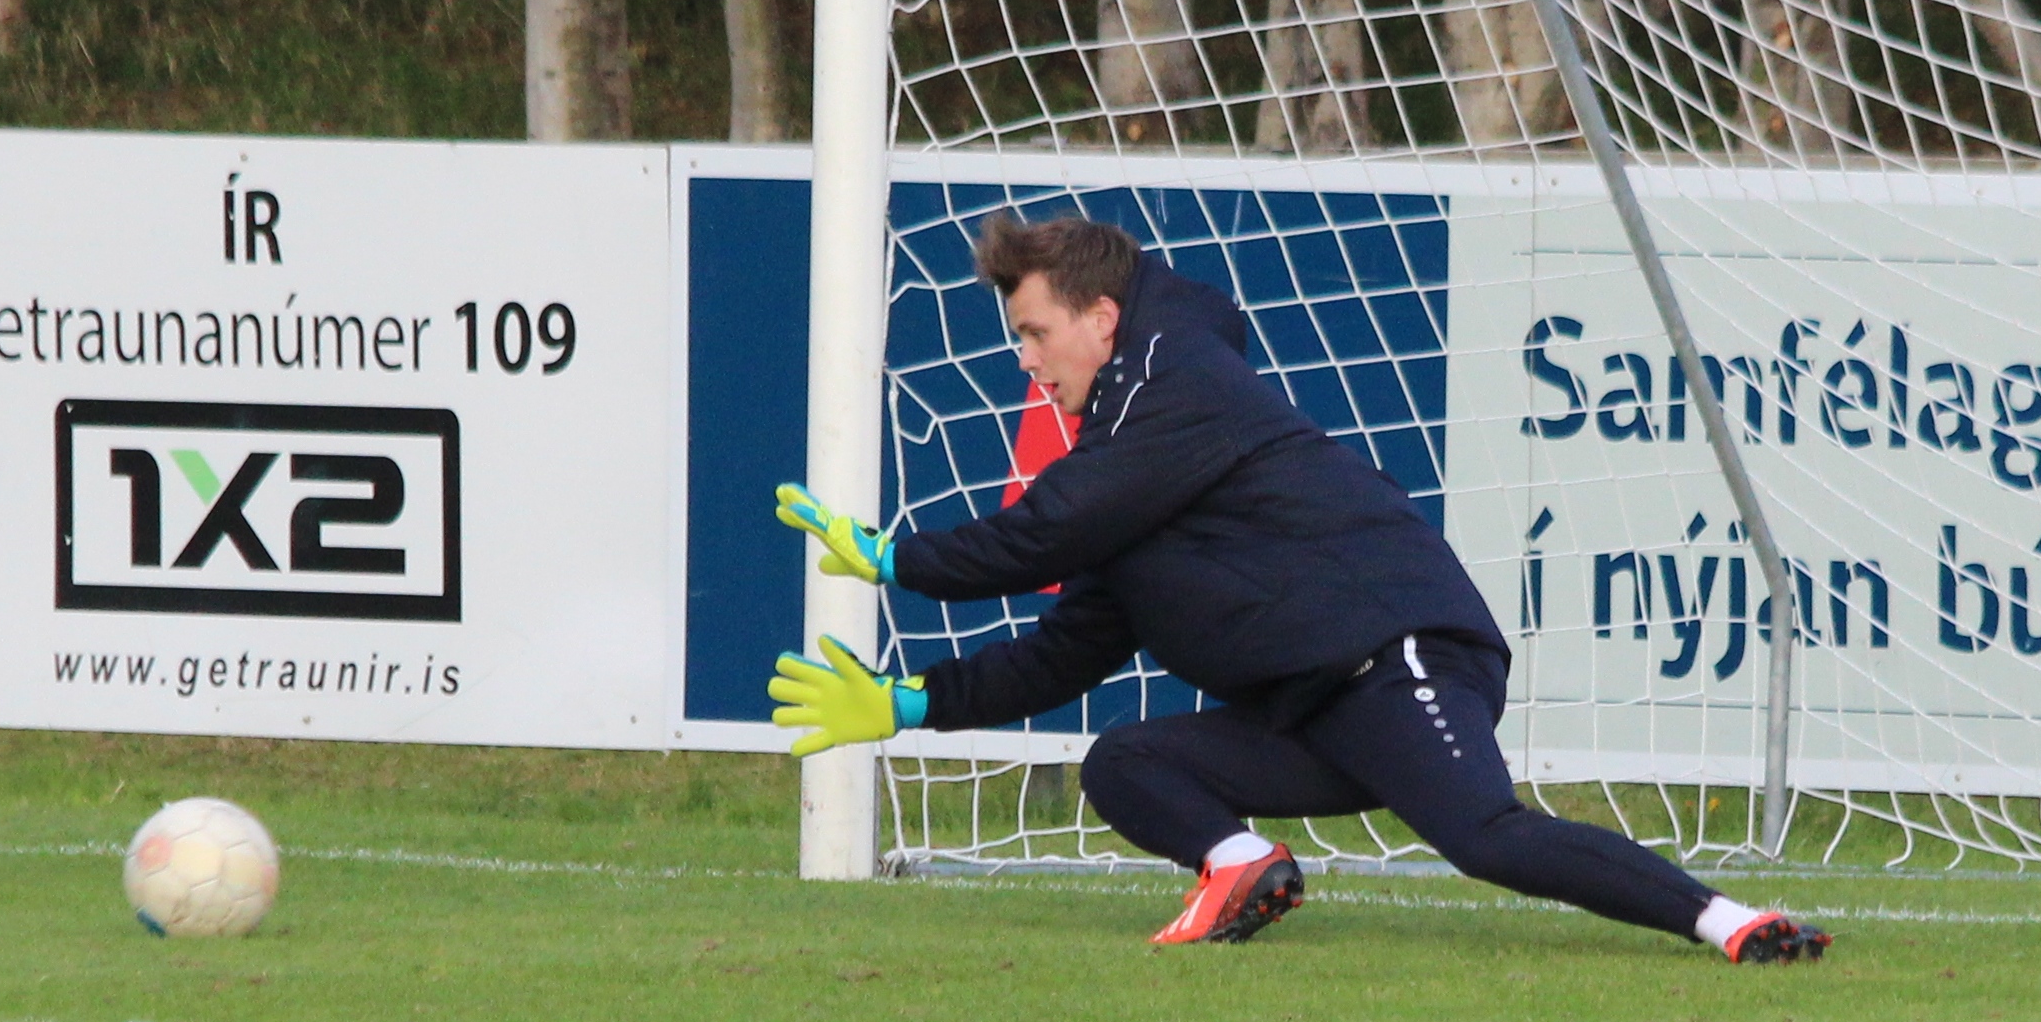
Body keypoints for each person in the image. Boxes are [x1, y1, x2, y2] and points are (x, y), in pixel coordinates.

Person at [767, 212, 1829, 964]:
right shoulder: (1125, 462)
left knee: (1484, 836)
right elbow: (1066, 648)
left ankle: (1732, 923)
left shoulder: (1172, 384)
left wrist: (896, 560)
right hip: (1313, 708)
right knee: (1127, 763)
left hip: (1398, 656)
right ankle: (1243, 864)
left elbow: (1043, 528)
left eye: (1035, 333)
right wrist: (911, 704)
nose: (1026, 361)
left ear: (1102, 318)